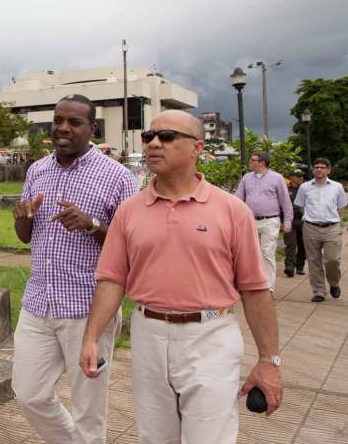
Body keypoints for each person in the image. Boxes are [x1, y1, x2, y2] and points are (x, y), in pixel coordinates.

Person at [80, 110, 283, 443]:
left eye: (168, 136)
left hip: (210, 337)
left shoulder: (232, 211)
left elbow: (256, 290)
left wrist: (269, 360)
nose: (154, 144)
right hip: (148, 335)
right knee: (154, 437)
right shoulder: (129, 211)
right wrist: (91, 338)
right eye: (149, 137)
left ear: (196, 148)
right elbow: (112, 279)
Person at [10, 94, 138, 443]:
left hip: (87, 309)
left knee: (88, 409)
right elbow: (25, 236)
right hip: (39, 303)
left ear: (91, 128)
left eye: (74, 122)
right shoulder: (37, 169)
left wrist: (93, 224)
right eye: (58, 120)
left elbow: (133, 245)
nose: (63, 128)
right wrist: (23, 218)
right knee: (28, 393)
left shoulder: (118, 177)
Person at [235, 151, 294, 293]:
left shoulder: (277, 178)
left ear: (262, 162)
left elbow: (285, 201)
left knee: (267, 252)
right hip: (250, 220)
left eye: (252, 159)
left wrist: (287, 222)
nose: (250, 162)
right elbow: (237, 199)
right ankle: (251, 282)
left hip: (270, 220)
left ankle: (268, 287)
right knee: (249, 253)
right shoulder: (246, 178)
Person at [295, 158, 348, 302]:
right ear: (312, 169)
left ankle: (334, 283)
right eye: (316, 167)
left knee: (332, 259)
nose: (319, 169)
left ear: (328, 170)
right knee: (313, 260)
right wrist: (310, 217)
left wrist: (336, 221)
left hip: (331, 227)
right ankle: (318, 291)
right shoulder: (304, 187)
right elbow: (301, 206)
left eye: (322, 167)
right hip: (311, 227)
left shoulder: (337, 187)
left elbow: (341, 207)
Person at [283, 169, 307, 276]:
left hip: (303, 221)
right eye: (298, 176)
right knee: (290, 244)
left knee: (303, 245)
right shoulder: (285, 189)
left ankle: (300, 266)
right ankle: (289, 267)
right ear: (292, 177)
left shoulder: (306, 189)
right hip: (289, 221)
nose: (301, 178)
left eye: (302, 176)